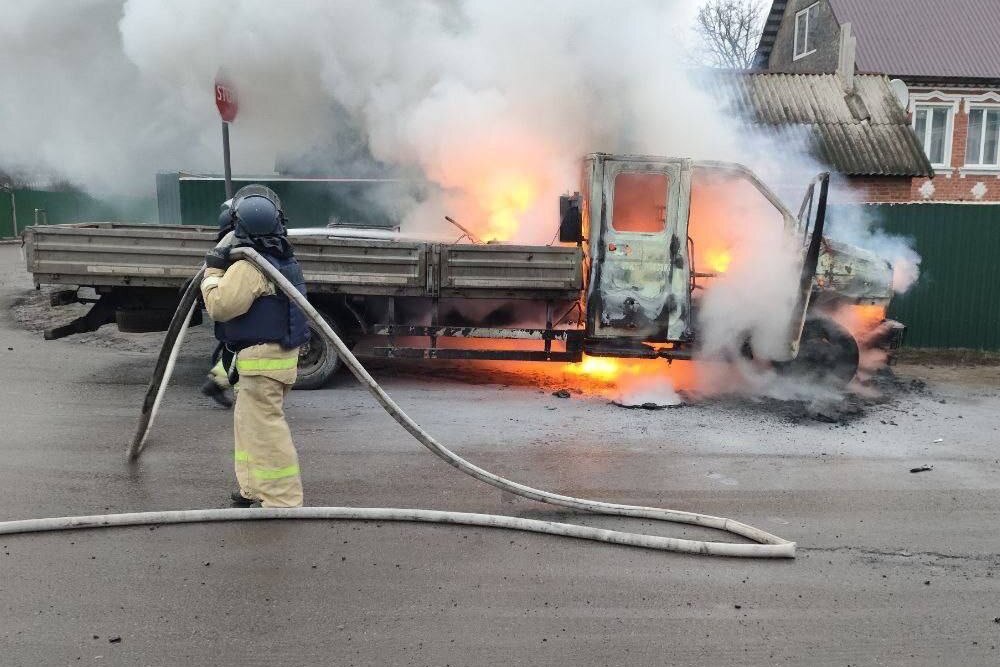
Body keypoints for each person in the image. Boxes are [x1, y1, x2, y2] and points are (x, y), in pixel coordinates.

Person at [200, 187, 309, 508]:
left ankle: (283, 501)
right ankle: (253, 488)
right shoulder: (280, 257)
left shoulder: (249, 266)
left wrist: (212, 273)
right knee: (249, 428)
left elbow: (221, 306)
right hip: (269, 360)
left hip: (262, 362)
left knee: (265, 433)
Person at [201, 201, 237, 408]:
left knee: (233, 348)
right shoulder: (232, 240)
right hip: (230, 302)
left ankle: (217, 383)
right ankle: (217, 383)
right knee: (238, 347)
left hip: (229, 302)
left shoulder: (227, 240)